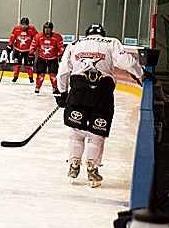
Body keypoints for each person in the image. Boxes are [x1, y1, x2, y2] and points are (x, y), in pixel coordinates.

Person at [55, 24, 144, 188]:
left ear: (86, 34)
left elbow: (62, 72)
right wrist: (140, 74)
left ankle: (74, 164)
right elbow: (126, 62)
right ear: (102, 34)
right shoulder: (111, 43)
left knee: (76, 132)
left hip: (79, 91)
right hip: (102, 94)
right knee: (96, 134)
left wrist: (62, 93)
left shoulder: (74, 44)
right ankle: (92, 169)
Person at [30, 21, 65, 95]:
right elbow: (33, 45)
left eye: (48, 28)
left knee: (53, 74)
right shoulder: (38, 36)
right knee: (41, 74)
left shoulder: (57, 37)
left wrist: (61, 54)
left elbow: (61, 47)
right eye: (45, 28)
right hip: (41, 58)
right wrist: (31, 53)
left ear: (51, 29)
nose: (47, 30)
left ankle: (55, 88)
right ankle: (37, 87)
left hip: (53, 59)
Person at [7, 17, 38, 83]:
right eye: (23, 25)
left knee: (29, 65)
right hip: (18, 50)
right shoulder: (16, 29)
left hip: (28, 50)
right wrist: (10, 45)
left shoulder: (32, 29)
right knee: (17, 65)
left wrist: (35, 46)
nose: (24, 26)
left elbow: (37, 38)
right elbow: (12, 38)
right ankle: (15, 77)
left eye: (26, 25)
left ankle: (31, 78)